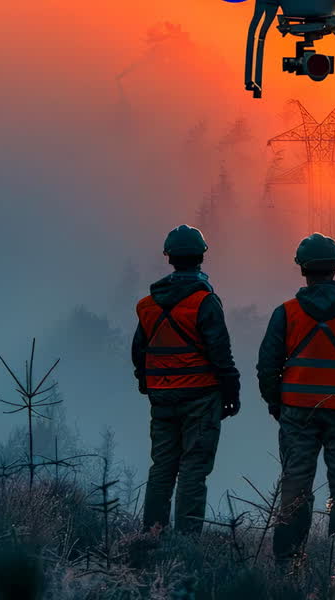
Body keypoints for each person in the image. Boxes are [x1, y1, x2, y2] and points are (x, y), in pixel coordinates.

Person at [257, 232, 335, 565]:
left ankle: (288, 565)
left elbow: (267, 368)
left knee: (295, 490)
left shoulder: (286, 313)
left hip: (297, 414)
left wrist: (278, 405)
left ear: (303, 269)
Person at [131, 224, 240, 534]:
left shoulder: (147, 306)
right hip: (201, 399)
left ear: (169, 258)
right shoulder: (205, 302)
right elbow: (221, 353)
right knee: (193, 470)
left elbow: (139, 351)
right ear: (201, 257)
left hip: (162, 400)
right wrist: (232, 391)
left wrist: (147, 383)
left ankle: (151, 538)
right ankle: (186, 544)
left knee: (162, 469)